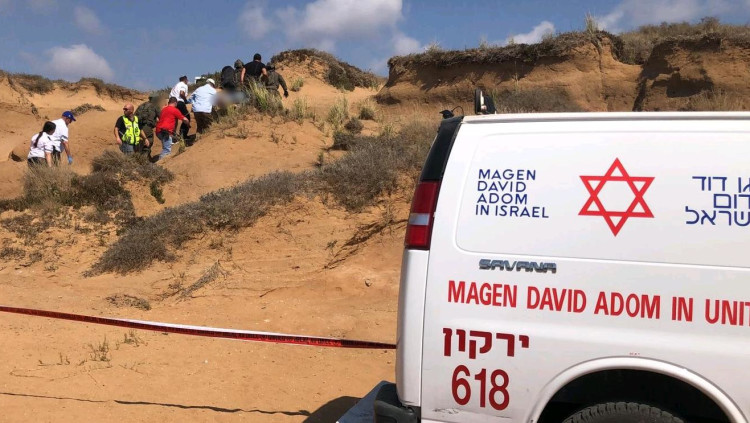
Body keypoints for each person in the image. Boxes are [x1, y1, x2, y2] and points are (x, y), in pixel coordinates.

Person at [135, 94, 160, 158]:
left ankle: (142, 156)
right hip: (147, 127)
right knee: (148, 141)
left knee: (139, 142)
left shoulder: (141, 105)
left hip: (136, 126)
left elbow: (134, 115)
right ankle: (144, 158)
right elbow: (161, 116)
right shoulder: (155, 106)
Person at [169, 75, 191, 140]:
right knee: (186, 117)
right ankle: (183, 135)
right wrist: (185, 100)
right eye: (187, 80)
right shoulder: (183, 85)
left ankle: (173, 136)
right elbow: (181, 93)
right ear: (185, 80)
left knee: (175, 119)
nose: (187, 81)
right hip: (179, 102)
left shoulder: (175, 86)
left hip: (172, 103)